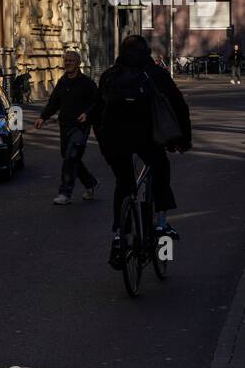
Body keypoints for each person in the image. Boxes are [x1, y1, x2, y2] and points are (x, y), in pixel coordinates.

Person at [85, 34, 191, 269]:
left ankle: (118, 238)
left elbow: (97, 109)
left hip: (115, 140)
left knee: (124, 185)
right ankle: (162, 222)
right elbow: (179, 106)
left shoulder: (110, 75)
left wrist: (103, 141)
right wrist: (183, 140)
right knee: (160, 167)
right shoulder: (156, 74)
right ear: (146, 51)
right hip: (147, 140)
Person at [35, 50, 99, 205]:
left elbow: (97, 102)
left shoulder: (87, 83)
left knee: (71, 157)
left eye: (71, 61)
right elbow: (53, 102)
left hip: (80, 127)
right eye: (66, 60)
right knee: (70, 157)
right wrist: (43, 117)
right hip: (65, 126)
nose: (68, 63)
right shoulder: (62, 82)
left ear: (78, 63)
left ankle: (65, 193)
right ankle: (91, 183)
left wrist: (87, 114)